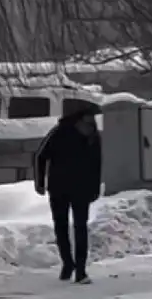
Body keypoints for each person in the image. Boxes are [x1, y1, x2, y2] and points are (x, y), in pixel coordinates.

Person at [34, 106, 102, 284]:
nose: (91, 125)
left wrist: (94, 188)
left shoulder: (93, 138)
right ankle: (68, 264)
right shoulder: (60, 133)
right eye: (88, 121)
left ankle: (80, 270)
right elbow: (41, 156)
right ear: (78, 119)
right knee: (62, 227)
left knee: (79, 228)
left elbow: (97, 165)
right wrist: (40, 182)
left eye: (92, 122)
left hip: (81, 189)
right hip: (59, 188)